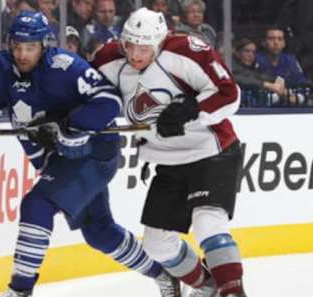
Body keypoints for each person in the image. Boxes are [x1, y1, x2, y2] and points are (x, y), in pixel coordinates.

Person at [0, 10, 180, 297]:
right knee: (99, 231)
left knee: (37, 205)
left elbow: (108, 100)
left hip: (93, 153)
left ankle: (19, 291)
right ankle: (164, 276)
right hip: (55, 159)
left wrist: (71, 128)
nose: (22, 54)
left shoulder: (64, 66)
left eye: (30, 47)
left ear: (44, 45)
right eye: (17, 46)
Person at [92, 8, 247, 297]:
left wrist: (191, 109)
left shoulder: (188, 52)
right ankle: (209, 287)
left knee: (207, 222)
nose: (136, 54)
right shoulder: (109, 59)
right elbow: (80, 90)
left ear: (160, 42)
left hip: (211, 150)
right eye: (130, 45)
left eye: (144, 47)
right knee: (156, 243)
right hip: (167, 161)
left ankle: (232, 292)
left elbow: (229, 94)